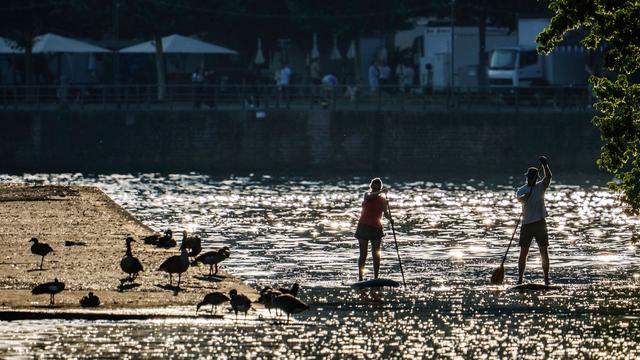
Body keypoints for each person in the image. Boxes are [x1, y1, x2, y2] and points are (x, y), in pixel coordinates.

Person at [516, 156, 552, 285]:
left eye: (531, 178)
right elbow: (519, 199)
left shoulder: (540, 186)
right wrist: (526, 196)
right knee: (523, 252)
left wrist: (545, 165)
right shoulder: (521, 190)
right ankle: (520, 279)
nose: (529, 179)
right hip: (526, 225)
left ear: (535, 178)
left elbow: (548, 178)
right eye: (527, 177)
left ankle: (546, 279)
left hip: (540, 223)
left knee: (543, 251)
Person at [355, 178, 393, 281]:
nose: (376, 189)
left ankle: (376, 277)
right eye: (374, 187)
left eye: (378, 187)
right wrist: (381, 192)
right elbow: (370, 196)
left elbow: (385, 213)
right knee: (363, 254)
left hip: (376, 228)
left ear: (380, 187)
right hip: (363, 226)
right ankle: (360, 277)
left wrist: (390, 219)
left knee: (376, 254)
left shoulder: (383, 200)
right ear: (371, 187)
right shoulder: (367, 195)